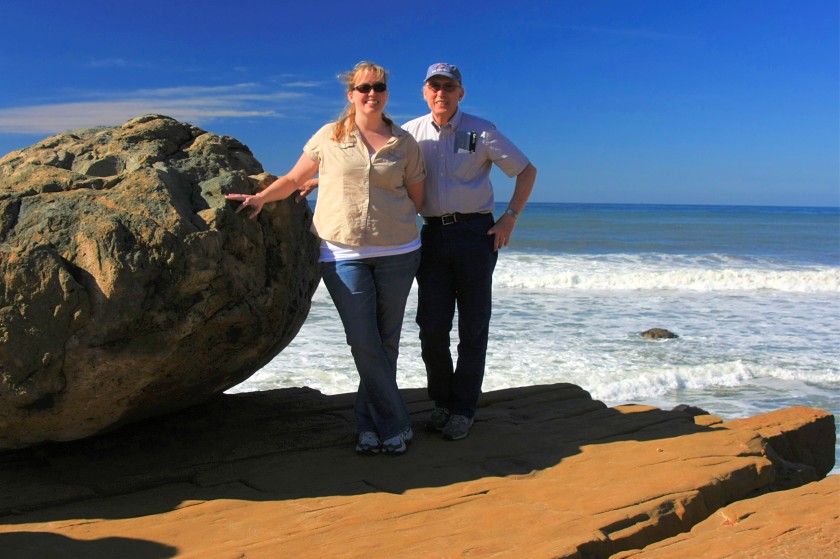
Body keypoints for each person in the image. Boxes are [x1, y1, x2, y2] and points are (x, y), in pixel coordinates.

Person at [225, 61, 425, 456]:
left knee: (386, 343)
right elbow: (294, 179)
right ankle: (396, 422)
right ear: (351, 94)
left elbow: (418, 199)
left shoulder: (404, 144)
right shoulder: (328, 138)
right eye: (364, 88)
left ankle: (370, 428)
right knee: (364, 341)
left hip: (398, 252)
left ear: (386, 94)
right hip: (341, 253)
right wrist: (262, 198)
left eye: (379, 87)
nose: (372, 94)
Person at [401, 62, 537, 441]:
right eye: (434, 86)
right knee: (431, 328)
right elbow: (378, 171)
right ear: (425, 92)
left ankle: (463, 409)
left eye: (448, 86)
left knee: (473, 327)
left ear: (461, 93)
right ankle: (442, 402)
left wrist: (510, 217)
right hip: (431, 237)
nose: (441, 93)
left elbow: (527, 171)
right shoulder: (409, 133)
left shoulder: (482, 130)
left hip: (477, 235)